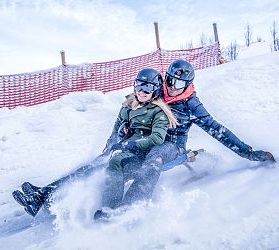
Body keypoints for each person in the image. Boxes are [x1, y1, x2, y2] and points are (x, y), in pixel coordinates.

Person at [12, 68, 177, 218]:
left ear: (155, 90)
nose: (141, 91)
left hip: (140, 154)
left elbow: (156, 138)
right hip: (122, 148)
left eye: (147, 88)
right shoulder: (129, 105)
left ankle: (110, 210)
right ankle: (43, 195)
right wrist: (111, 145)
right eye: (139, 86)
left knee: (112, 165)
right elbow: (115, 129)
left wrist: (130, 145)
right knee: (88, 169)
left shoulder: (159, 112)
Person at [112, 59, 276, 207]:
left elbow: (218, 130)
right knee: (123, 164)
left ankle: (132, 205)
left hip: (172, 146)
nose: (171, 87)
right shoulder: (157, 90)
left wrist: (248, 153)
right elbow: (134, 107)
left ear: (187, 85)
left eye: (178, 84)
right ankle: (110, 207)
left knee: (155, 157)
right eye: (169, 80)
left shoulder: (191, 105)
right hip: (148, 140)